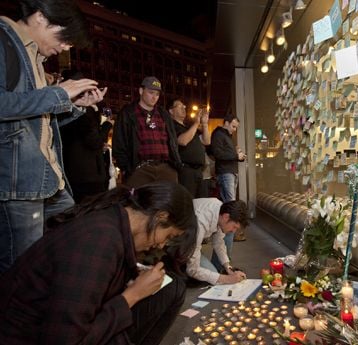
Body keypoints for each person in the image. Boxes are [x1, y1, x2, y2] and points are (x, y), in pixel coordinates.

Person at [0, 181, 197, 344]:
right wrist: (132, 295)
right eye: (168, 235)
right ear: (161, 216)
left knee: (173, 288)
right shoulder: (99, 240)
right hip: (23, 336)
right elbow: (65, 340)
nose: (162, 245)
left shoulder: (112, 222)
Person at [0, 0, 107, 273]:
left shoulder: (34, 57)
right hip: (19, 186)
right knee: (22, 270)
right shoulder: (4, 42)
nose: (66, 47)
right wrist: (58, 93)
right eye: (65, 37)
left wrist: (74, 105)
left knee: (74, 245)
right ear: (39, 17)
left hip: (47, 181)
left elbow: (36, 121)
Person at [112, 76, 181, 188]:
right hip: (140, 169)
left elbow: (172, 140)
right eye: (151, 92)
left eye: (157, 94)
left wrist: (174, 164)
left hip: (166, 167)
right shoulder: (127, 113)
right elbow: (118, 144)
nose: (154, 97)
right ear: (141, 91)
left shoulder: (163, 114)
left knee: (169, 202)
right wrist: (128, 168)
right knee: (137, 203)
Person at [60, 70, 113, 203]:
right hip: (88, 176)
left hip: (71, 174)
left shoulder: (61, 108)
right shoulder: (83, 111)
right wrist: (107, 125)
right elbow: (93, 141)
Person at [210, 114, 247, 259]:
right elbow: (217, 154)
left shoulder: (226, 135)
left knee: (230, 205)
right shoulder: (218, 134)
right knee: (230, 207)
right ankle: (227, 239)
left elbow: (228, 154)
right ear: (225, 123)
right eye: (233, 126)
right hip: (225, 173)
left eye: (236, 127)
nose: (234, 130)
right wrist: (235, 155)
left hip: (231, 172)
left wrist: (238, 155)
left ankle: (227, 243)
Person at [186, 198, 248, 285]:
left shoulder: (221, 211)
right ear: (226, 217)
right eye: (234, 227)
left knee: (213, 275)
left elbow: (219, 243)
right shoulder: (200, 223)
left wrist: (228, 267)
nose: (234, 231)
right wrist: (228, 279)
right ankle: (178, 265)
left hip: (193, 243)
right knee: (208, 277)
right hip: (181, 245)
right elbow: (193, 270)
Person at [169, 99, 210, 198]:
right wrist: (196, 123)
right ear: (171, 111)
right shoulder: (171, 125)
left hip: (199, 170)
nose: (184, 108)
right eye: (179, 106)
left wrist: (204, 124)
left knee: (201, 202)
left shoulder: (188, 127)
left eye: (184, 106)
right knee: (188, 201)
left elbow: (206, 141)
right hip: (186, 170)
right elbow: (182, 141)